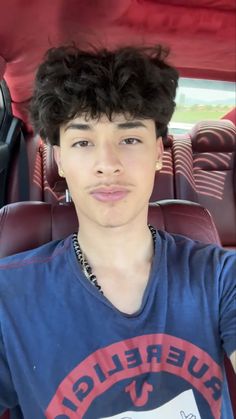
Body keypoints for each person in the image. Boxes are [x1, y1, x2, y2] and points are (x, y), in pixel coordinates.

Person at [0, 45, 235, 419]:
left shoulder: (221, 277)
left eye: (129, 139)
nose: (107, 164)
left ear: (158, 152)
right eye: (82, 142)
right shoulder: (8, 299)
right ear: (60, 159)